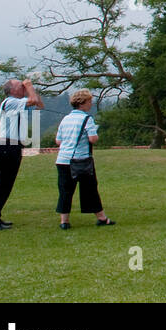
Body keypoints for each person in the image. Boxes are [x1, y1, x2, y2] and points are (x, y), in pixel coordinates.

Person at [0, 77, 44, 231]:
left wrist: (31, 90)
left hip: (12, 147)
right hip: (7, 146)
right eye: (20, 85)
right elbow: (32, 100)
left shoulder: (18, 103)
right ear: (12, 90)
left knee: (5, 186)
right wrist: (29, 86)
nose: (23, 87)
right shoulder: (10, 102)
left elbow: (39, 105)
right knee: (1, 186)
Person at [55, 89, 115, 229]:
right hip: (81, 160)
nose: (91, 104)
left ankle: (64, 221)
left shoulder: (65, 119)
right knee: (90, 189)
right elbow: (93, 139)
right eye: (89, 101)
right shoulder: (87, 119)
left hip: (63, 160)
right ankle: (101, 218)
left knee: (65, 191)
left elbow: (58, 141)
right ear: (83, 103)